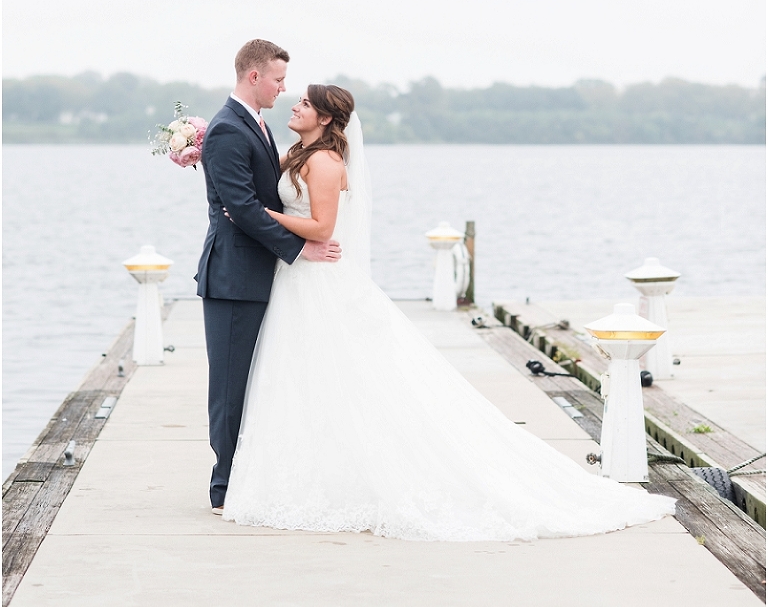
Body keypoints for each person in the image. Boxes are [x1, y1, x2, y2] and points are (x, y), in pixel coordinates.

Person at [222, 84, 675, 541]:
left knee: (339, 373)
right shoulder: (298, 152)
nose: (294, 105)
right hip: (296, 280)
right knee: (304, 376)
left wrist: (263, 213)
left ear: (323, 118)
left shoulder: (323, 161)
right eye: (295, 98)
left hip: (317, 281)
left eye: (304, 103)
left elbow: (322, 227)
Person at [196, 40, 341, 514]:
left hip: (259, 274)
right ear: (254, 77)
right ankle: (224, 487)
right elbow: (240, 207)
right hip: (234, 277)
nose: (284, 89)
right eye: (278, 80)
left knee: (256, 380)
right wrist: (301, 248)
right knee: (231, 383)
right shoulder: (227, 130)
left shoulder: (254, 125)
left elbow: (266, 198)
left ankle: (247, 474)